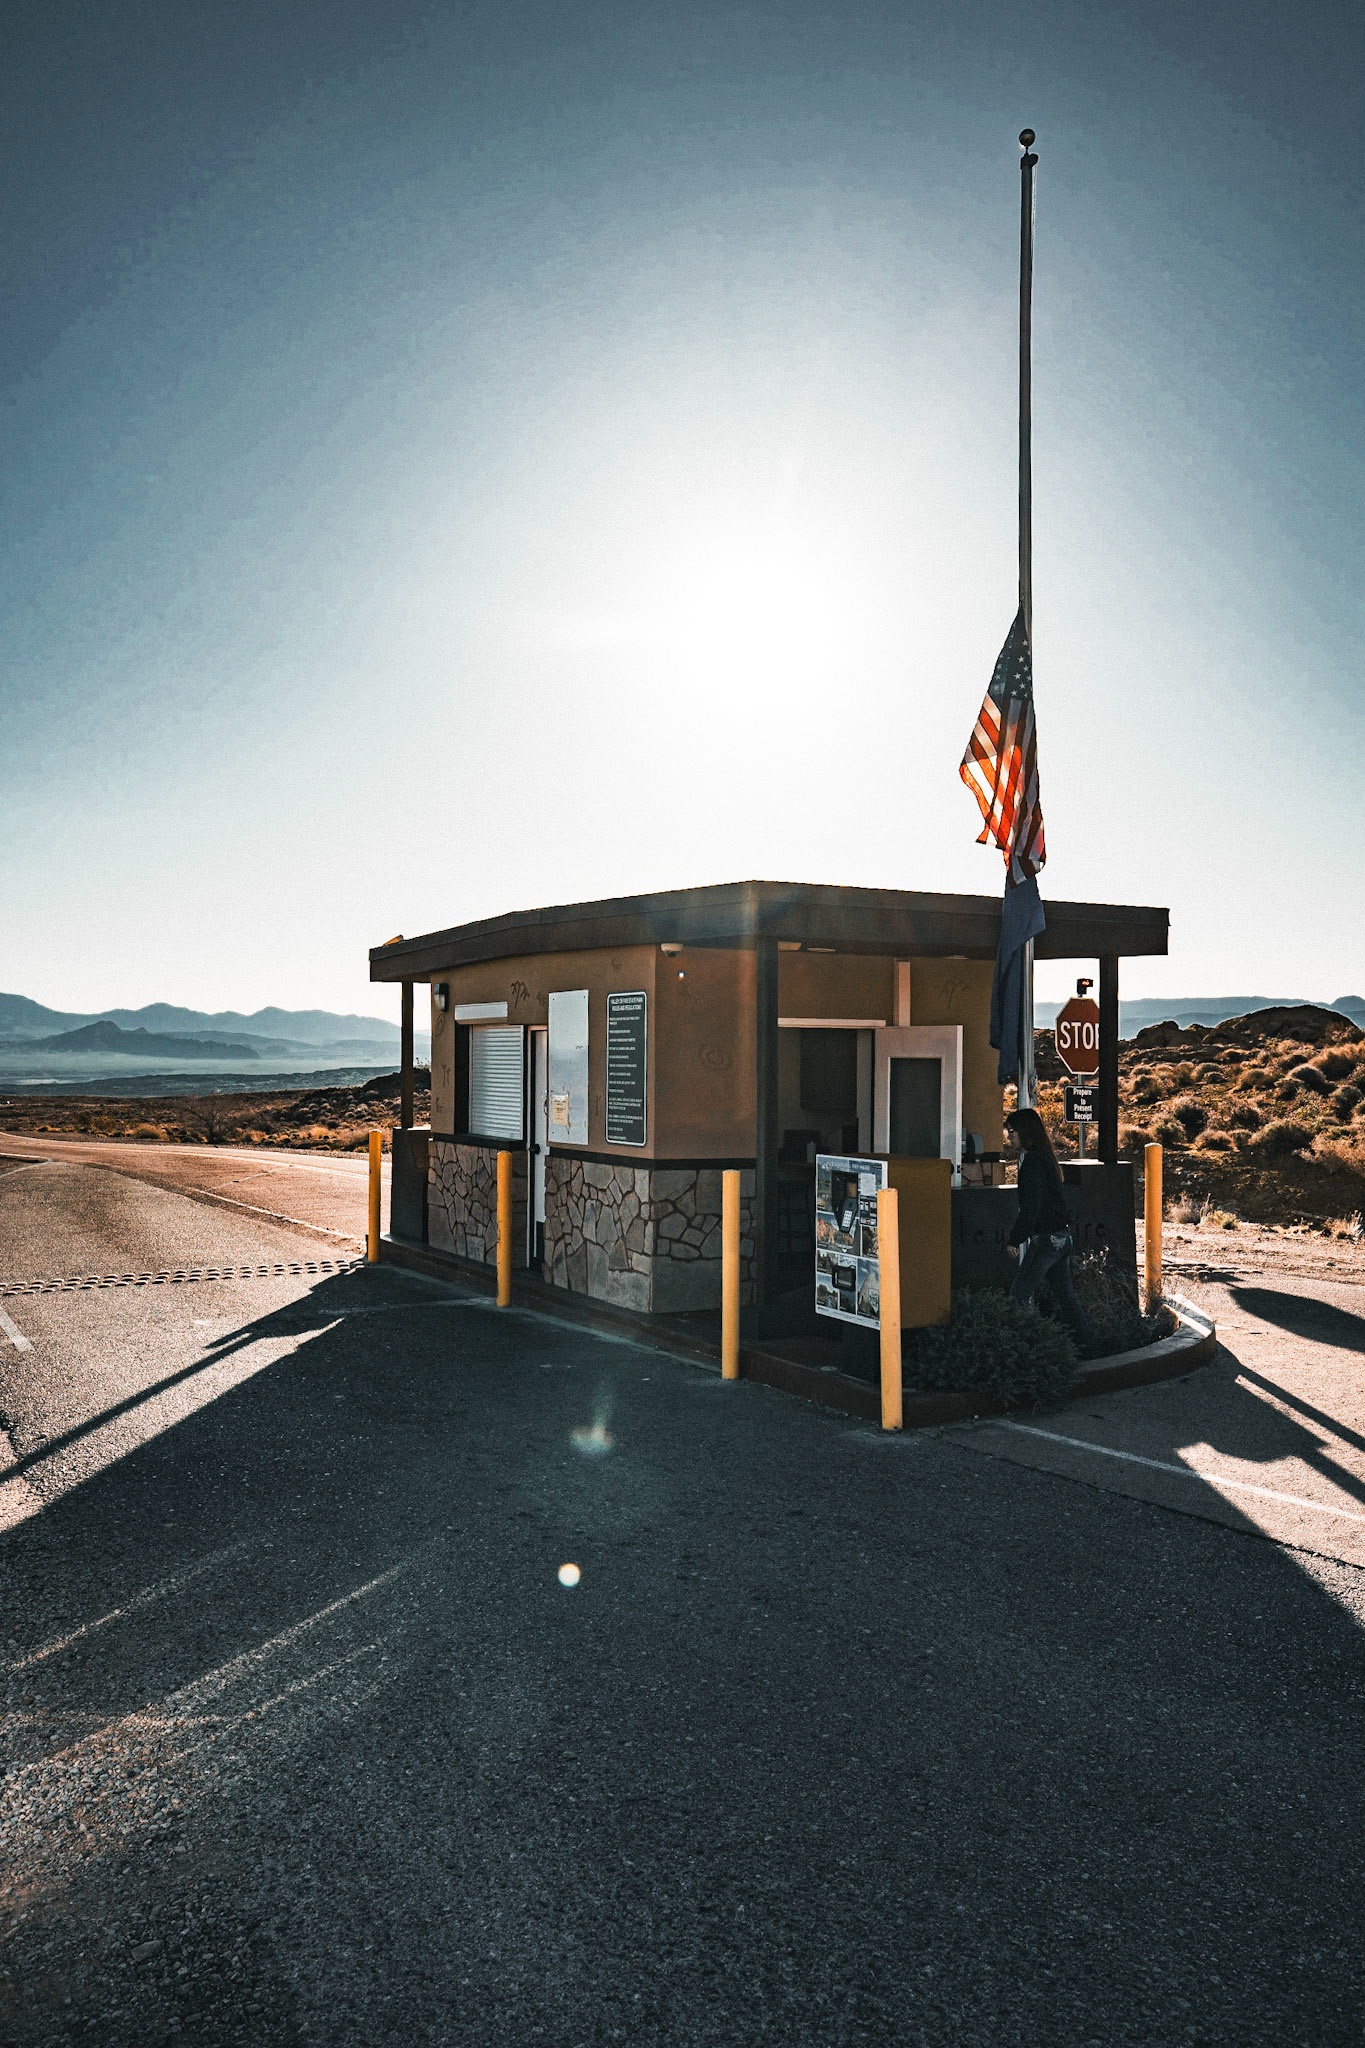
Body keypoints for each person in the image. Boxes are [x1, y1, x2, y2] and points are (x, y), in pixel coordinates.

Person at [1004, 1106, 1095, 1355]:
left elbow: (1031, 1208)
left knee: (1018, 1296)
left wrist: (1015, 1239)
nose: (1008, 1137)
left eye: (1012, 1131)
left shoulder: (1033, 1163)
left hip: (1046, 1241)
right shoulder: (1045, 1158)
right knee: (1067, 1298)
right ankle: (1087, 1349)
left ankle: (1029, 1353)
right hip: (1062, 1238)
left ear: (1024, 1132)